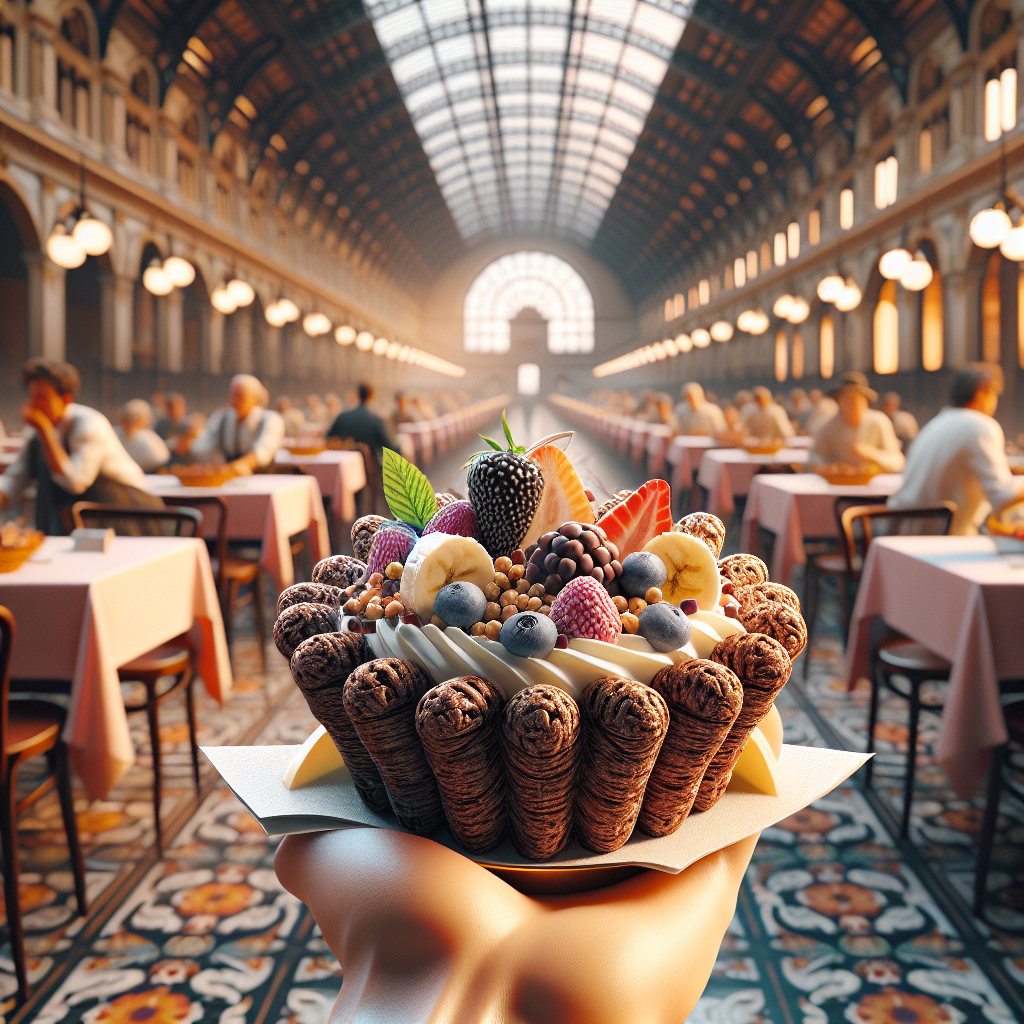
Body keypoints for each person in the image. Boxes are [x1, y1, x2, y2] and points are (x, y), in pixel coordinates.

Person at [0, 359, 164, 534]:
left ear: (66, 399)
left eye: (42, 397)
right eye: (32, 397)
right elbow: (15, 480)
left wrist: (46, 432)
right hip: (79, 526)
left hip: (127, 514)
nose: (34, 405)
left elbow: (75, 482)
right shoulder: (35, 434)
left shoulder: (89, 424)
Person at [889, 364, 1024, 535]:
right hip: (943, 540)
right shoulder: (979, 425)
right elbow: (1002, 496)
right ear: (982, 394)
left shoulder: (935, 424)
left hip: (904, 534)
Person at [809, 371, 905, 474]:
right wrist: (829, 467)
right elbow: (813, 460)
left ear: (865, 401)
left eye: (856, 399)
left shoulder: (879, 422)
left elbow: (898, 462)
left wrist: (872, 454)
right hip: (838, 486)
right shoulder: (829, 427)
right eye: (847, 399)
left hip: (873, 486)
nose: (852, 404)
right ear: (839, 401)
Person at [188, 374, 284, 474]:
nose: (235, 401)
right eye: (233, 396)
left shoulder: (270, 419)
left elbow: (264, 450)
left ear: (254, 398)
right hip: (229, 479)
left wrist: (241, 465)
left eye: (240, 396)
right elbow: (204, 445)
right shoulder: (222, 418)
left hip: (262, 479)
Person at [327, 383, 397, 462]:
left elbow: (328, 438)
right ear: (370, 396)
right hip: (369, 470)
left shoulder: (342, 417)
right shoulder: (375, 420)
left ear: (357, 395)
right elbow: (388, 447)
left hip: (345, 467)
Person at [116, 399, 170, 472]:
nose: (129, 424)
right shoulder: (116, 433)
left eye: (133, 419)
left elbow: (160, 458)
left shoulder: (148, 437)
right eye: (126, 419)